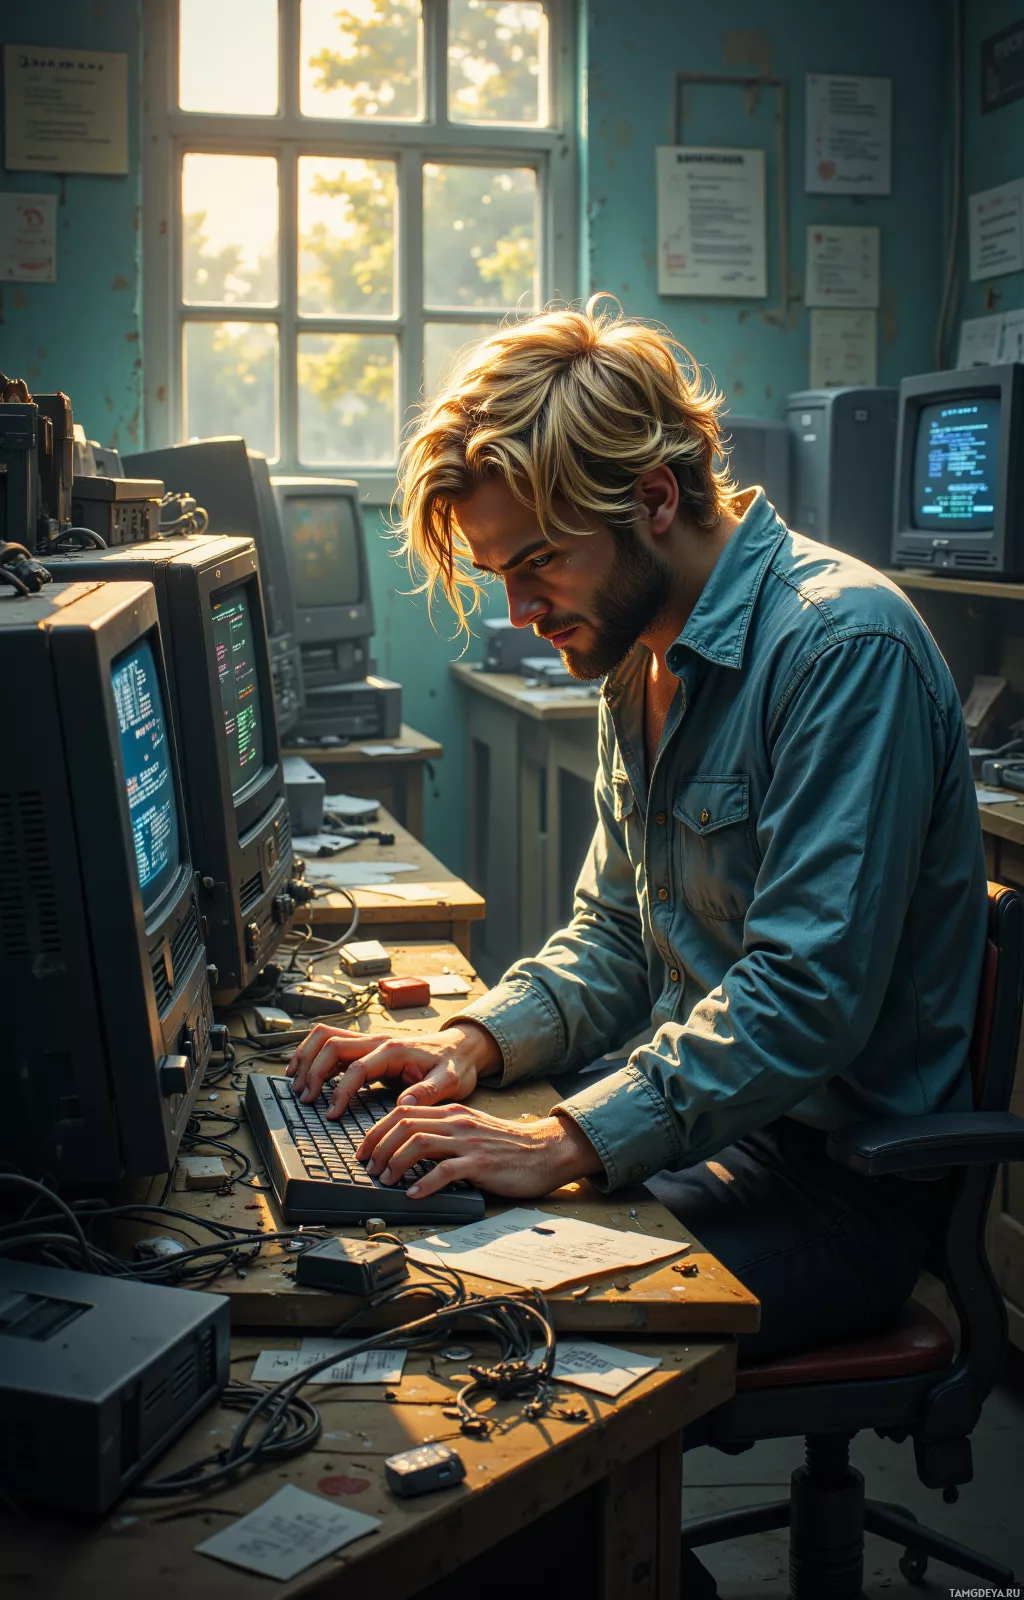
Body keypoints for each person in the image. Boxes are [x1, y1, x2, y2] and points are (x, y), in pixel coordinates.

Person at [287, 297, 986, 1365]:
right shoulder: (637, 657)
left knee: (478, 1324)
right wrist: (469, 1046)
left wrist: (557, 1141)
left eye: (539, 563)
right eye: (499, 575)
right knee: (402, 1229)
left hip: (836, 1193)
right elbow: (618, 932)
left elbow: (803, 998)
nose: (521, 609)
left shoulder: (845, 648)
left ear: (654, 496)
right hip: (712, 1136)